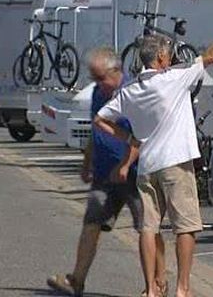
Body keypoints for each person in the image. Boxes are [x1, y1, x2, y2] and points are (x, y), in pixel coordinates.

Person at [94, 9, 213, 297]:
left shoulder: (130, 90)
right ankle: (182, 289)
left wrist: (129, 137)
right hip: (175, 164)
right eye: (170, 54)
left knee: (149, 228)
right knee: (185, 227)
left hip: (147, 166)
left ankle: (151, 288)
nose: (173, 58)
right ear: (161, 59)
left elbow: (100, 119)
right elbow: (212, 55)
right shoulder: (173, 79)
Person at [47, 47, 167, 297]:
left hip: (134, 173)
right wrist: (87, 162)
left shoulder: (133, 92)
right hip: (104, 175)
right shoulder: (99, 95)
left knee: (148, 229)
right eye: (94, 78)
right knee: (91, 223)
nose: (98, 83)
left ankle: (158, 284)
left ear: (116, 71)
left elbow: (141, 136)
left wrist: (124, 164)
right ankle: (76, 280)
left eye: (101, 77)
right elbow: (96, 130)